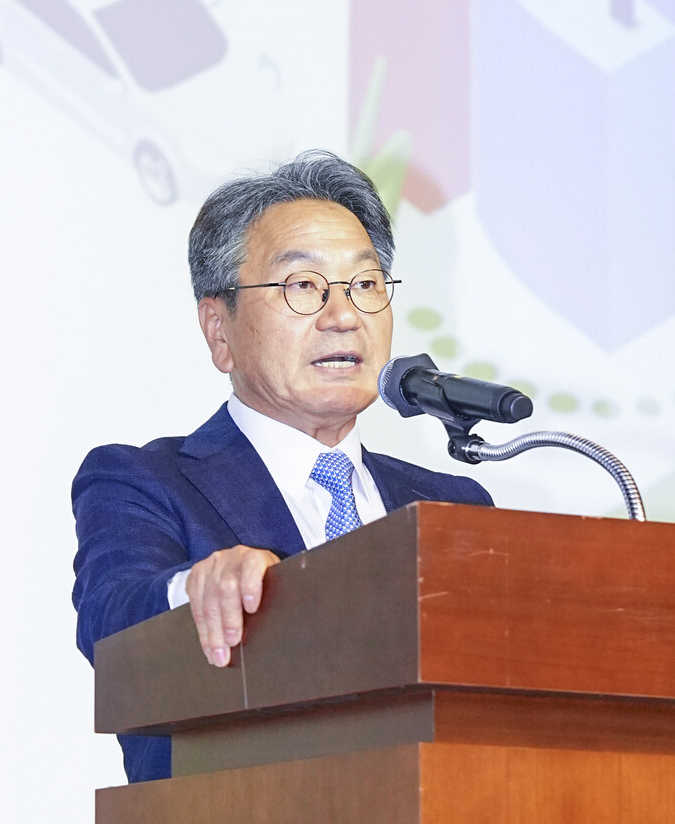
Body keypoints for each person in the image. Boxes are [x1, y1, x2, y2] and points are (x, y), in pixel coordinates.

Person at [71, 150, 493, 784]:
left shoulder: (455, 506)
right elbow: (111, 622)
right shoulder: (144, 482)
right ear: (219, 331)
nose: (343, 316)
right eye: (302, 286)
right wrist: (195, 589)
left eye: (366, 284)